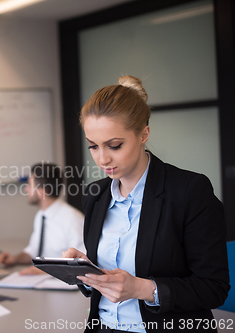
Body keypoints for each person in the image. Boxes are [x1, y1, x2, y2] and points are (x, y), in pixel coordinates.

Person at [63, 75, 229, 333]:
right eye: (93, 147)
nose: (103, 159)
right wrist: (87, 272)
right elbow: (104, 289)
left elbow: (213, 288)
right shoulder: (95, 194)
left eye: (114, 145)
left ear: (143, 134)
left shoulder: (189, 191)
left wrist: (141, 288)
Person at [0, 162, 85, 275]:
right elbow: (33, 252)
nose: (26, 189)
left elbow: (82, 263)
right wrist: (14, 259)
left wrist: (45, 271)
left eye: (29, 185)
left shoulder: (72, 219)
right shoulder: (41, 216)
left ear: (41, 192)